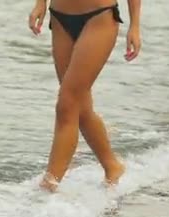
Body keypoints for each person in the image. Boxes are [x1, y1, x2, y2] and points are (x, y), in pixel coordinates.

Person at [27, 0, 141, 192]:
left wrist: (135, 26)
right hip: (60, 17)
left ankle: (48, 186)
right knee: (79, 108)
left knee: (67, 103)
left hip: (99, 17)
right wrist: (40, 4)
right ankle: (112, 166)